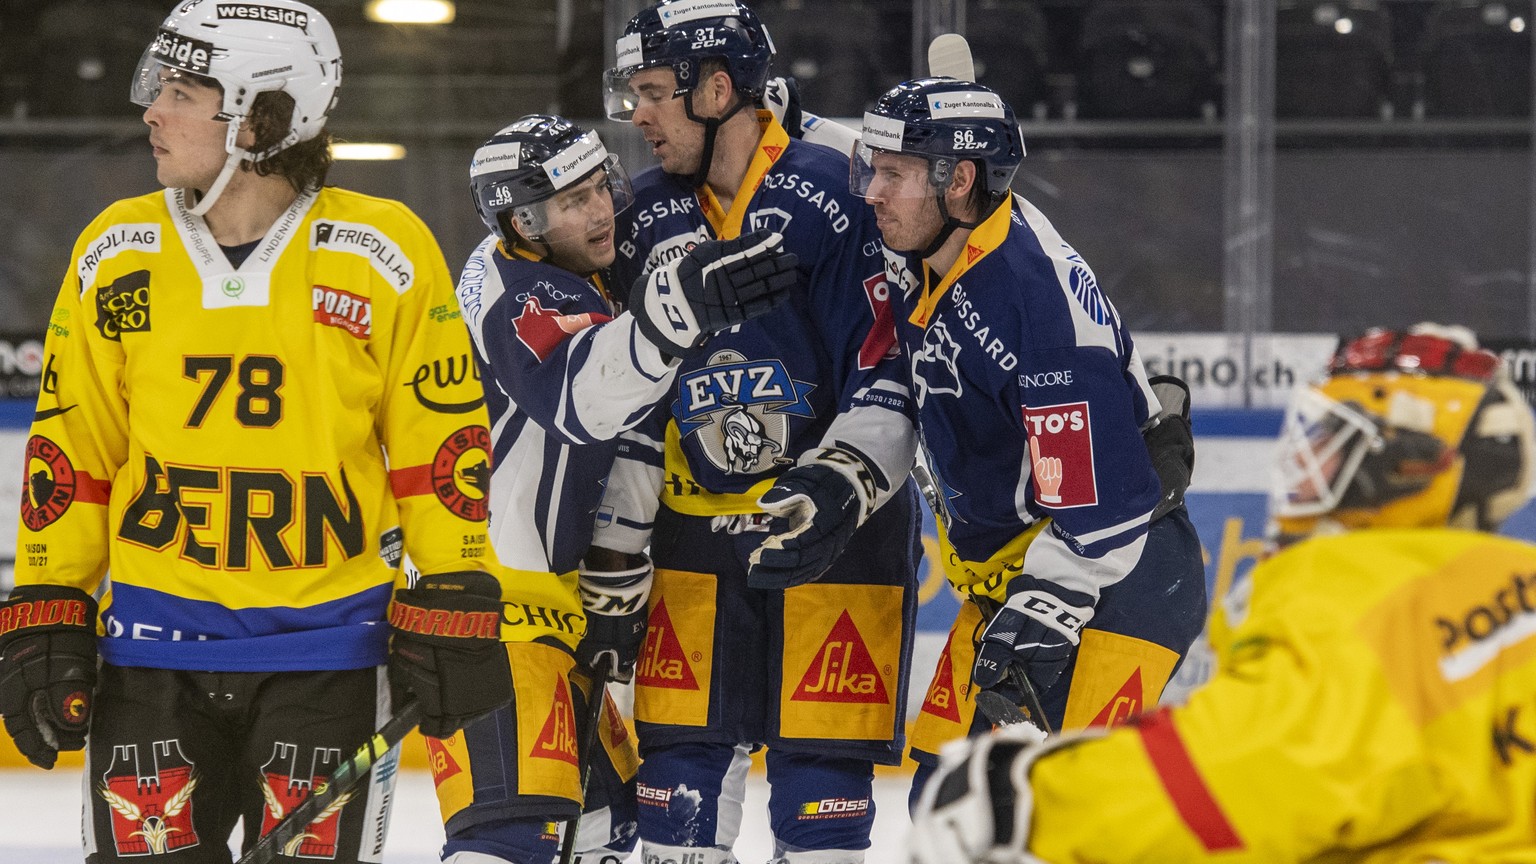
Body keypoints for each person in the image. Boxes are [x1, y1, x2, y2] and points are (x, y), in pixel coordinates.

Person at [0, 2, 550, 860]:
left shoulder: (383, 252)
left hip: (329, 659)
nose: (152, 110)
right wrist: (47, 599)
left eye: (183, 91)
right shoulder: (117, 250)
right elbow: (73, 450)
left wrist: (454, 586)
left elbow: (441, 447)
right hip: (151, 656)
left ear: (264, 117)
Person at [909, 323, 1536, 863]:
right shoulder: (1512, 582)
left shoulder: (1367, 595)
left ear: (1410, 468)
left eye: (1332, 444)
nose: (1304, 466)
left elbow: (1236, 775)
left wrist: (1025, 794)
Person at [593, 2, 923, 862]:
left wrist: (840, 486)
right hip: (688, 544)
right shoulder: (640, 213)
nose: (639, 115)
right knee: (677, 807)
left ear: (717, 88)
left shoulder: (847, 191)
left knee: (824, 794)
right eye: (632, 93)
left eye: (656, 92)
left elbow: (890, 370)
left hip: (837, 537)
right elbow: (619, 398)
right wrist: (617, 543)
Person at [433, 113, 796, 864]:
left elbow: (631, 426)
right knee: (511, 837)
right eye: (573, 201)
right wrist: (673, 314)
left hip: (551, 607)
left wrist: (615, 567)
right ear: (521, 220)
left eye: (600, 187)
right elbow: (580, 399)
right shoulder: (518, 291)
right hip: (492, 615)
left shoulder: (571, 274)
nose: (601, 211)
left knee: (603, 828)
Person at [849, 76, 1208, 801]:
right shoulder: (947, 245)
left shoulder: (1032, 307)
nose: (873, 193)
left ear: (960, 182)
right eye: (872, 168)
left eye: (893, 173)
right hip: (1015, 576)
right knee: (943, 805)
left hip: (1113, 576)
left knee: (1064, 819)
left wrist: (1050, 601)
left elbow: (1099, 508)